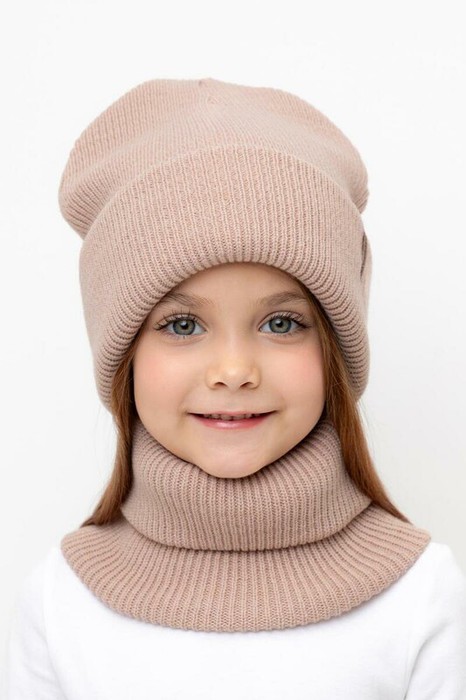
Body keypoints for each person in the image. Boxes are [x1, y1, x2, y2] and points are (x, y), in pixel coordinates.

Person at [4, 77, 466, 699]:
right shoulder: (61, 601)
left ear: (335, 349)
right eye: (182, 325)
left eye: (282, 323)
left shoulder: (422, 595)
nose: (233, 369)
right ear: (124, 356)